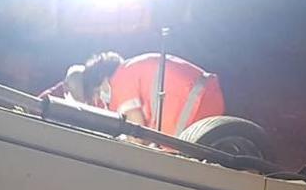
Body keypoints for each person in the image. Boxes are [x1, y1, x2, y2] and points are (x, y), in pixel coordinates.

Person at [41, 51, 225, 135]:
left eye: (96, 95)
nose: (101, 102)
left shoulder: (120, 81)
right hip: (204, 99)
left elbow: (136, 131)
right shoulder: (132, 68)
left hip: (193, 109)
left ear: (102, 82)